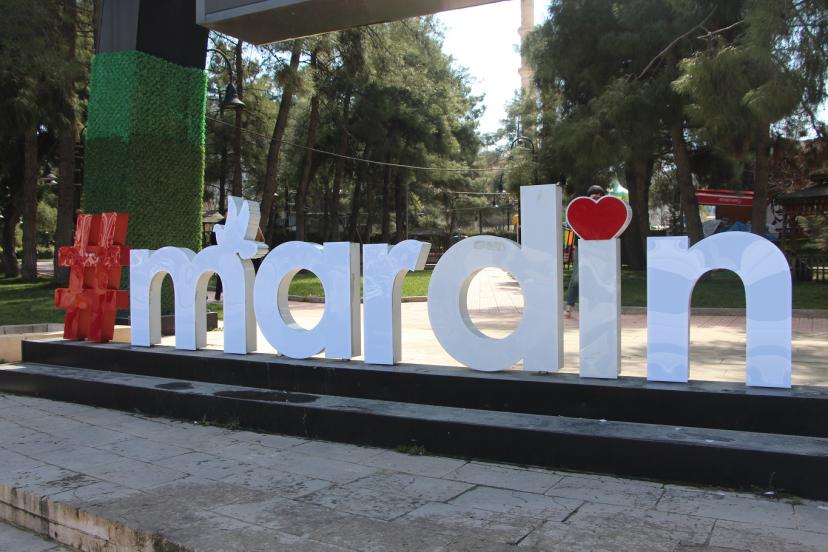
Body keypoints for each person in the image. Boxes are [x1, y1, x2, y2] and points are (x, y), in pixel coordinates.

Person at [564, 185, 606, 318]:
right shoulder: (581, 210)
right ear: (588, 197)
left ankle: (595, 305)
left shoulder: (604, 211)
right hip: (582, 246)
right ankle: (569, 305)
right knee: (577, 277)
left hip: (599, 247)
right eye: (594, 197)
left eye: (599, 197)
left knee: (598, 276)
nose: (597, 199)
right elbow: (570, 223)